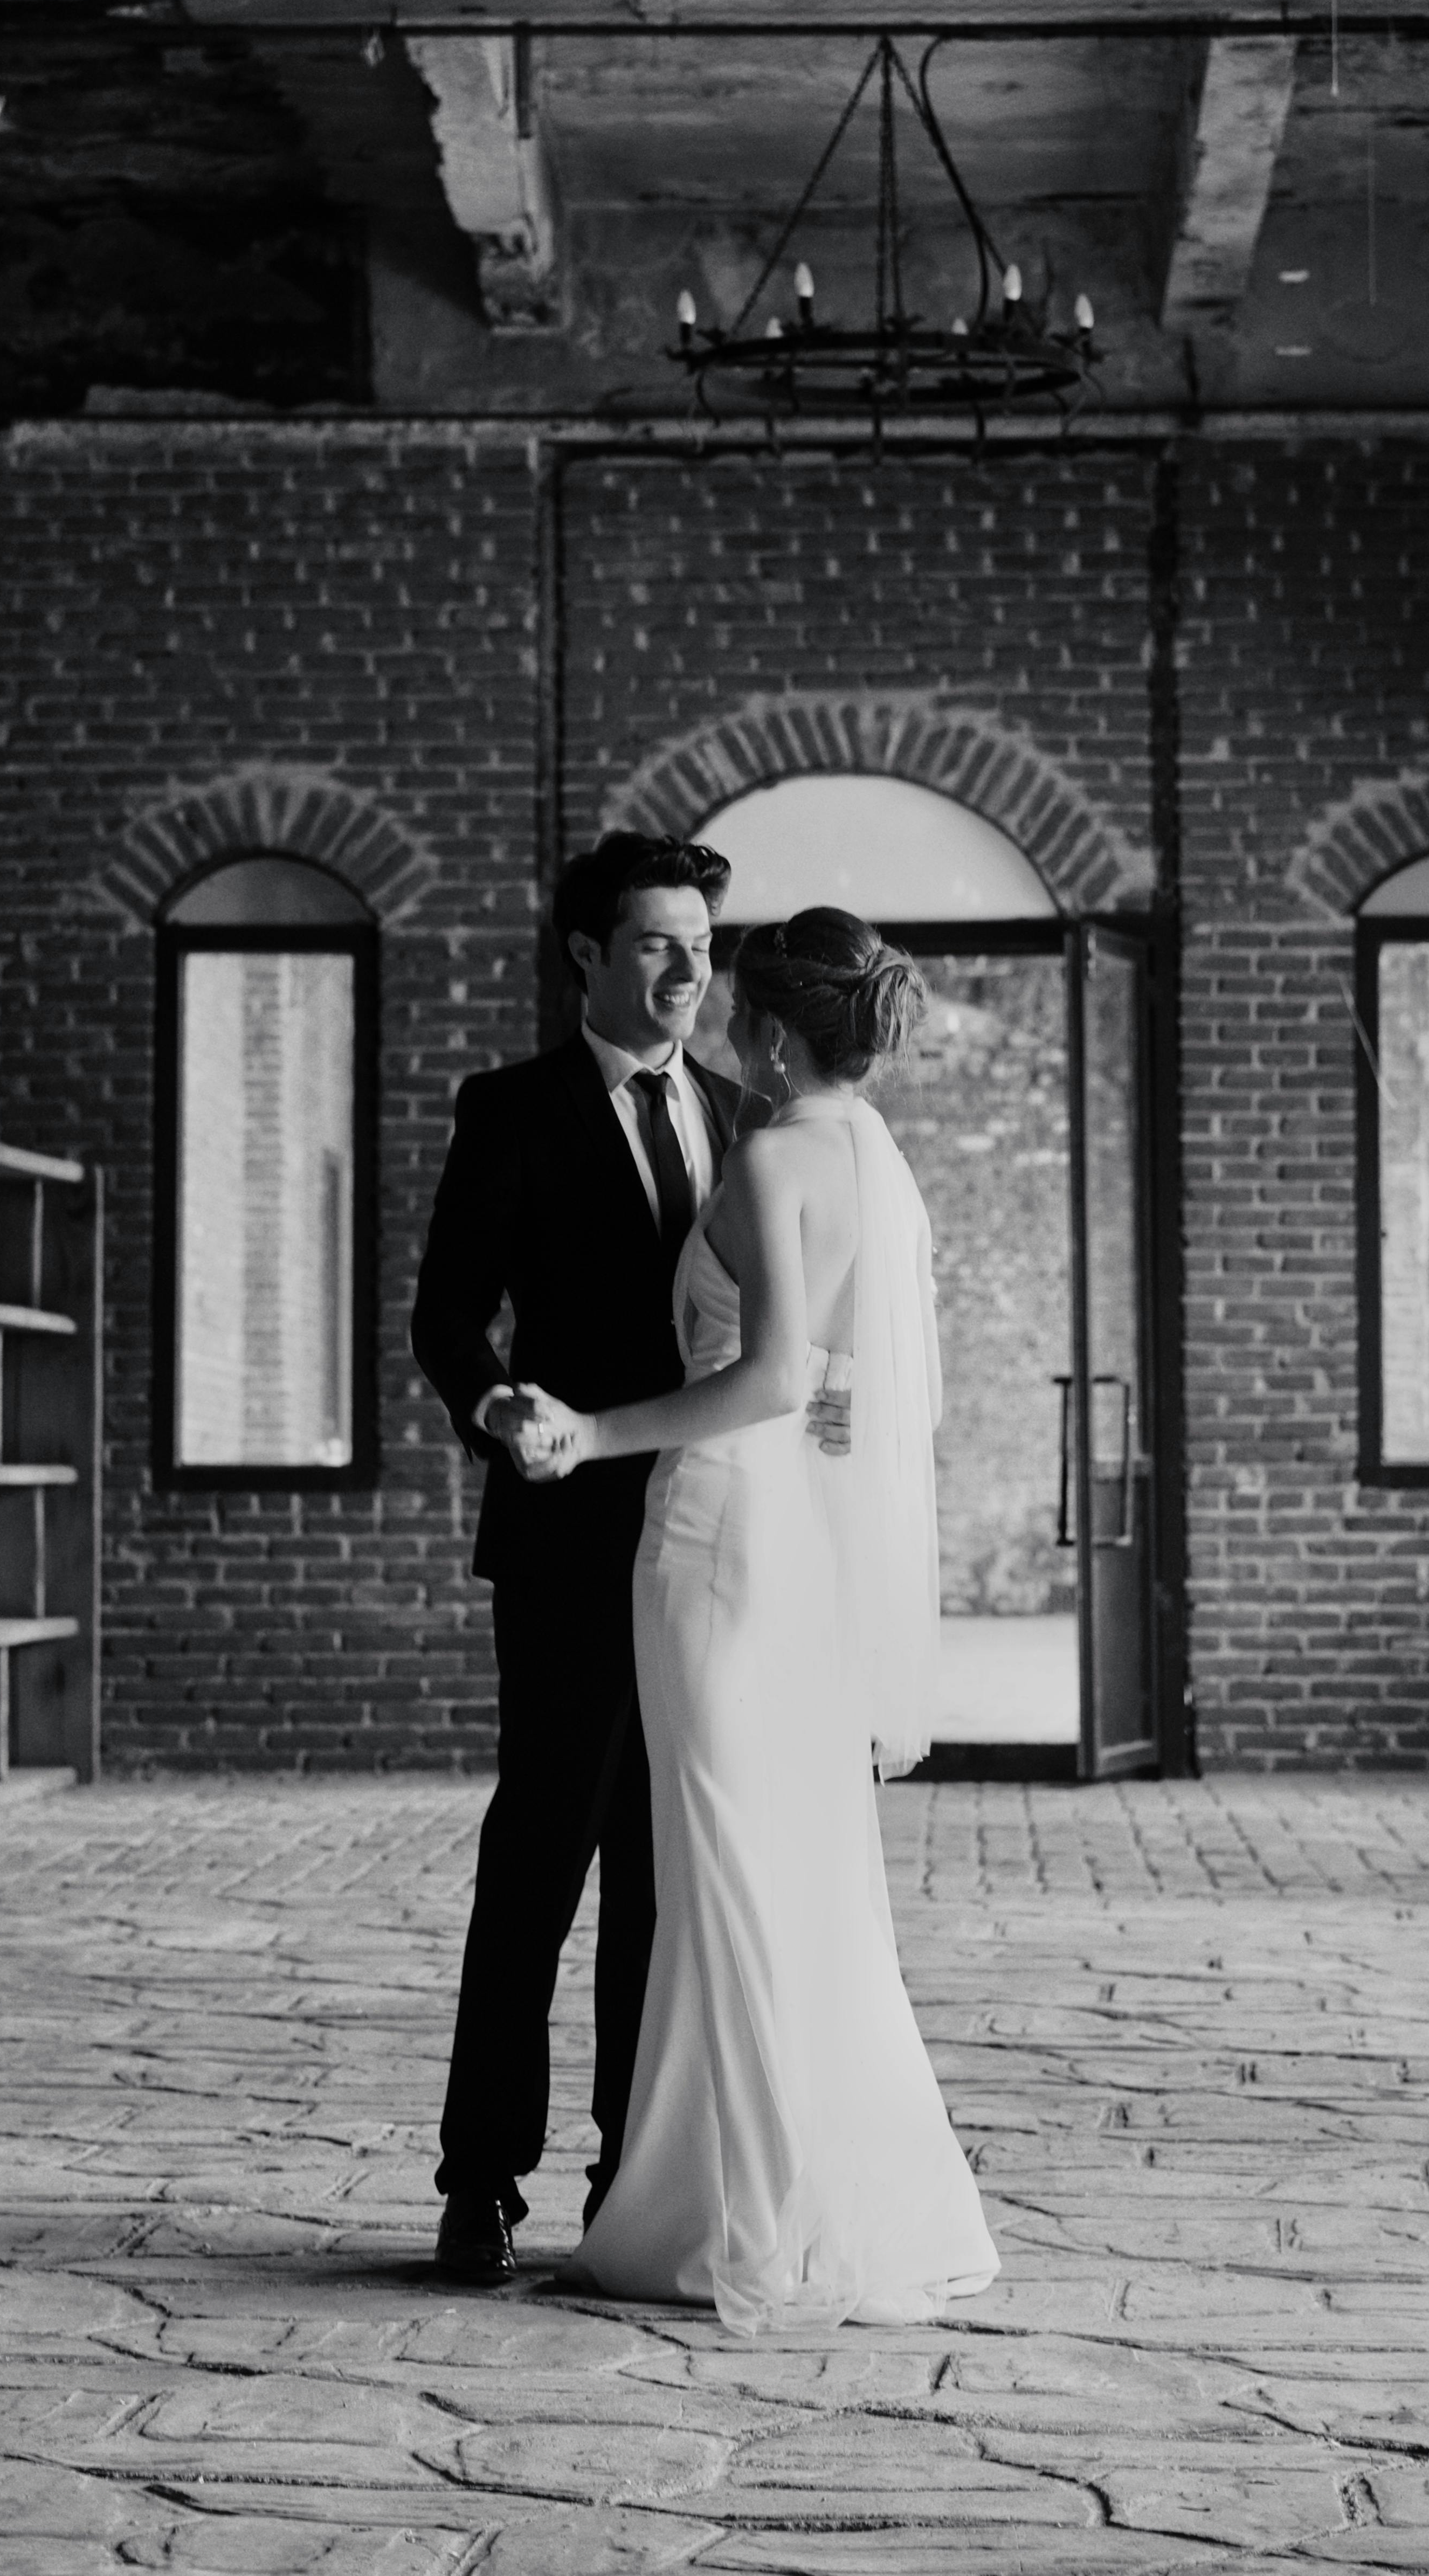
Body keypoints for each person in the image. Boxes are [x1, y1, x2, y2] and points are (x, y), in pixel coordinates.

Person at [518, 907, 1001, 2332]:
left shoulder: (782, 1152)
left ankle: (757, 2218)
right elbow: (849, 1392)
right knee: (768, 1869)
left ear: (777, 1035)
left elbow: (781, 1375)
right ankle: (724, 2192)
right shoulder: (875, 1160)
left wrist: (591, 1428)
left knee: (720, 1868)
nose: (717, 1024)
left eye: (734, 1008)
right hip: (789, 1539)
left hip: (721, 1537)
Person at [408, 831, 741, 2284]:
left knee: (665, 1882)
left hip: (712, 1554)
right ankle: (480, 2178)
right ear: (588, 957)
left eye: (705, 945)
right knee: (536, 1865)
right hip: (564, 1545)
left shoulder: (743, 1113)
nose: (690, 970)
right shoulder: (512, 1110)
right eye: (661, 943)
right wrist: (498, 1411)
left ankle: (632, 2173)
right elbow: (443, 1319)